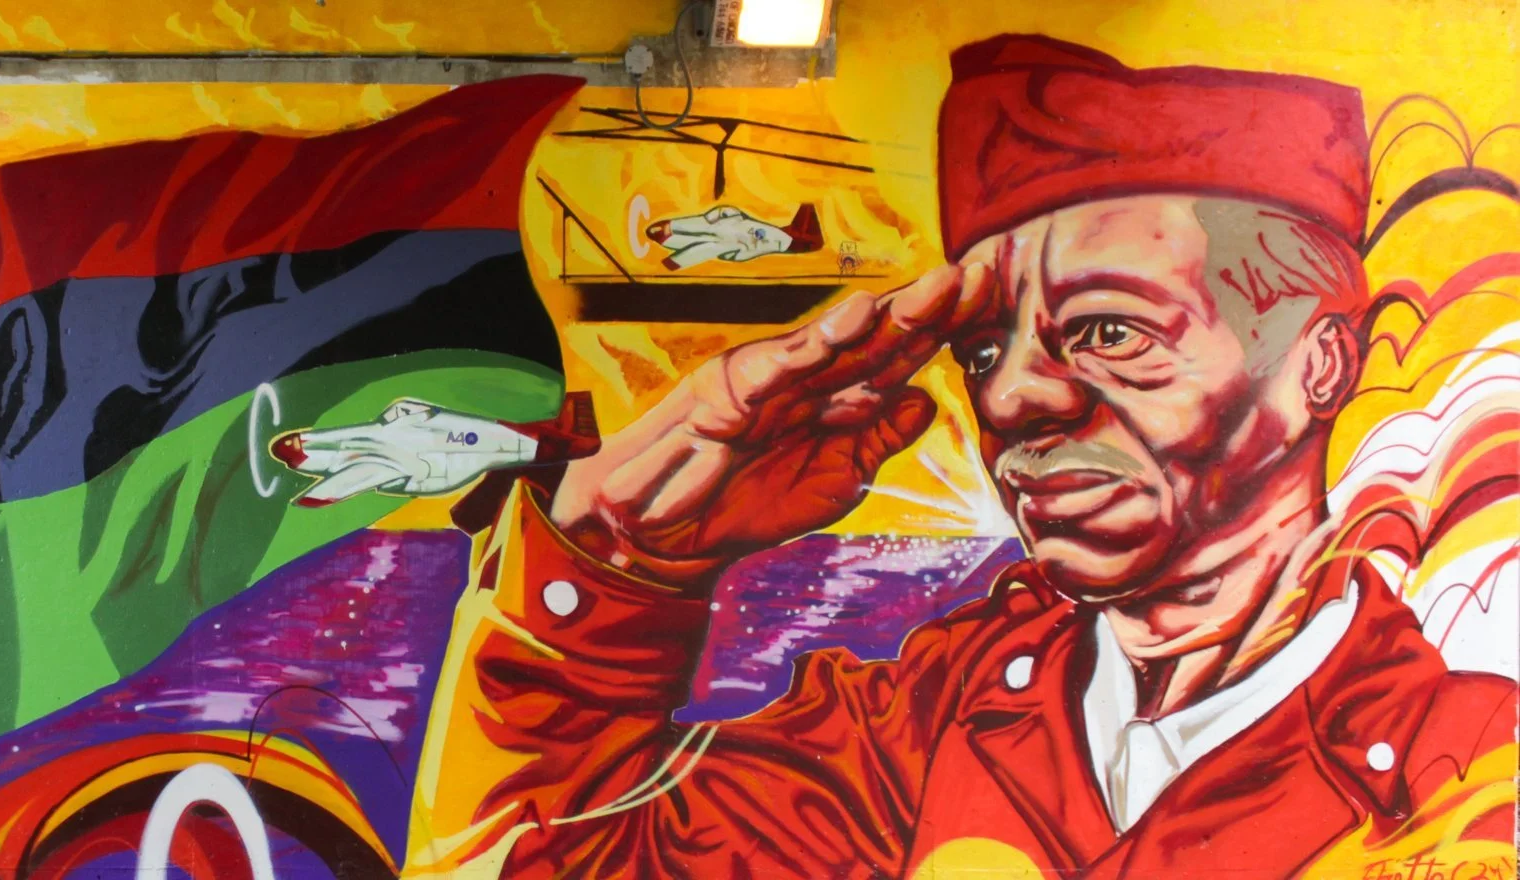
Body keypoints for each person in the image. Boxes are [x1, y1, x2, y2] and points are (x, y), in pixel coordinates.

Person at [403, 36, 1517, 877]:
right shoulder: (924, 722)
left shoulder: (1469, 777)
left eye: (1111, 330)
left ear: (1320, 365)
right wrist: (613, 560)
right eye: (984, 348)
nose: (1012, 396)